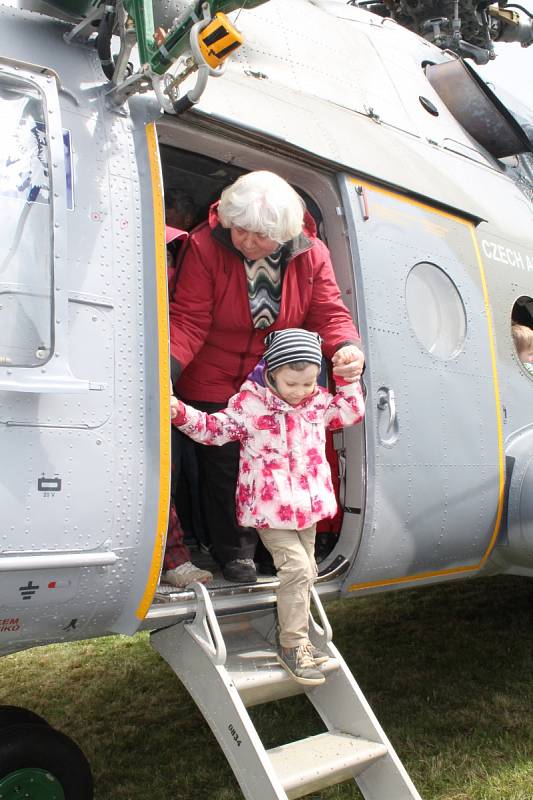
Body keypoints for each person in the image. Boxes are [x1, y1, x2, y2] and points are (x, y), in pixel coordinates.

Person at [169, 170, 365, 584]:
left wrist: (345, 346)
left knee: (273, 467)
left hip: (273, 385)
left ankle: (271, 551)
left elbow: (329, 312)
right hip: (213, 377)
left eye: (259, 235)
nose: (246, 241)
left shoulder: (312, 254)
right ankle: (235, 553)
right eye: (239, 229)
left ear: (283, 233)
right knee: (225, 468)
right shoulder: (205, 246)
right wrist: (166, 370)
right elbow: (188, 319)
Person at [170, 328, 365, 685]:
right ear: (270, 372)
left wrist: (345, 379)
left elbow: (350, 411)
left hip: (307, 509)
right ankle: (293, 645)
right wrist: (178, 412)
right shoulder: (249, 407)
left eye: (309, 383)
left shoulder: (316, 403)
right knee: (297, 569)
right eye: (292, 384)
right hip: (269, 510)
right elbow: (212, 430)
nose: (301, 392)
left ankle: (300, 639)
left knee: (306, 570)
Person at [160, 191, 212, 589]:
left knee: (170, 469)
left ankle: (177, 555)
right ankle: (172, 556)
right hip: (140, 372)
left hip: (168, 374)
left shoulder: (180, 248)